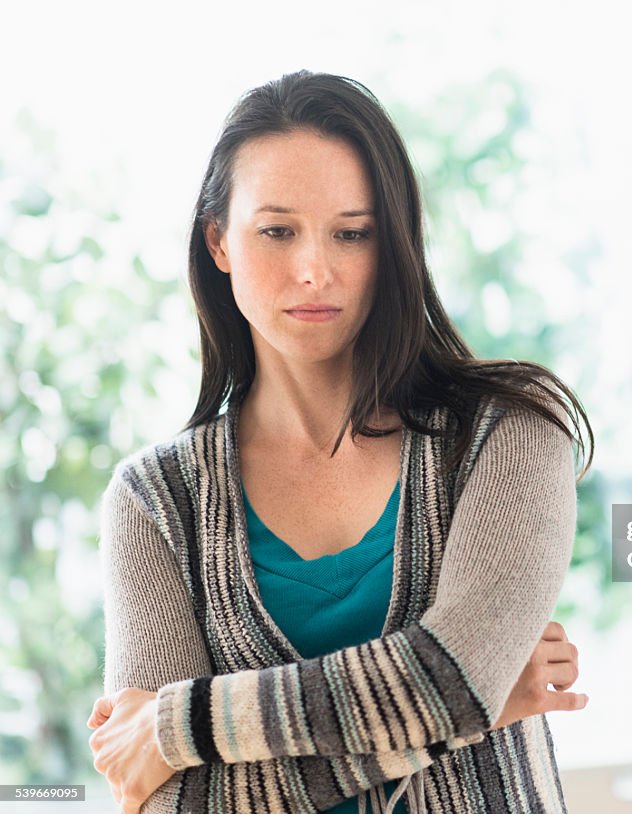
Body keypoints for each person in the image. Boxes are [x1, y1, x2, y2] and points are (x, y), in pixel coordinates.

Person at [86, 71, 591, 814]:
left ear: (392, 246)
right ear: (219, 240)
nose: (315, 269)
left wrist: (183, 722)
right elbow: (169, 802)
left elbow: (460, 679)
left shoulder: (508, 432)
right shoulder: (156, 502)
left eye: (352, 233)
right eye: (277, 230)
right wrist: (454, 710)